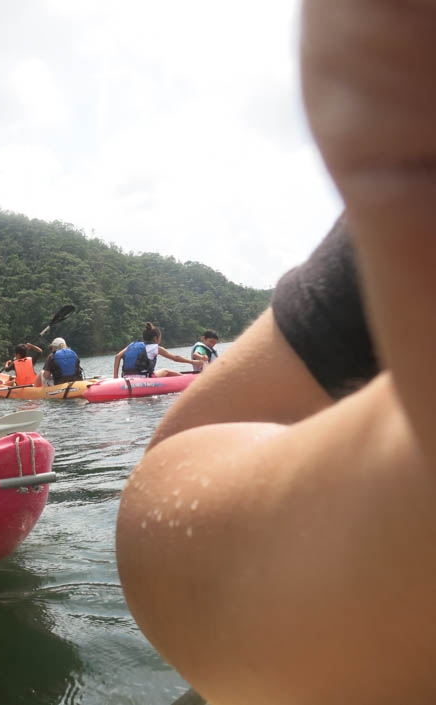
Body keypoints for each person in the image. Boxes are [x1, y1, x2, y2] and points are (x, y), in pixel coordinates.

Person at [116, 3, 436, 704]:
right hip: (220, 532)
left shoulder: (168, 352)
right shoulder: (160, 352)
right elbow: (168, 469)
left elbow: (154, 378)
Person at [113, 323, 197, 378]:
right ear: (156, 338)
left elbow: (117, 357)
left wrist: (115, 379)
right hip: (143, 378)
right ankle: (187, 380)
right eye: (160, 337)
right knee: (165, 371)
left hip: (126, 377)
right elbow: (175, 358)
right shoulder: (155, 348)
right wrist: (193, 362)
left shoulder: (131, 344)